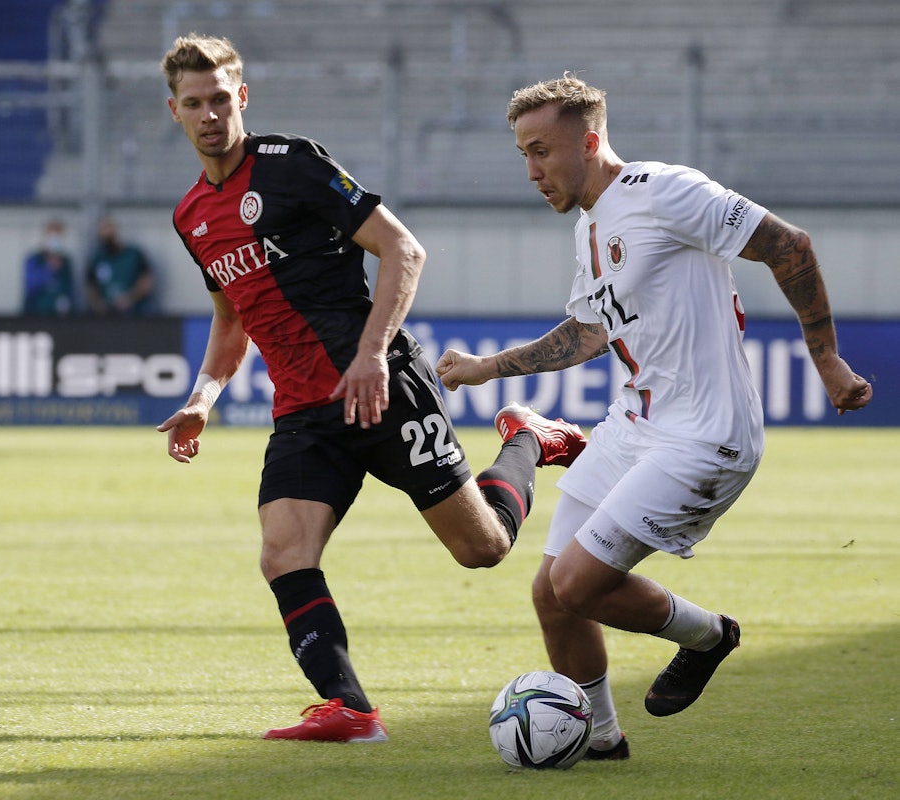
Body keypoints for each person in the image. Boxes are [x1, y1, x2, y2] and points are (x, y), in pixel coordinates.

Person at [155, 34, 587, 743]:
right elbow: (231, 317)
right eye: (194, 104)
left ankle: (527, 441)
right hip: (302, 411)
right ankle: (351, 710)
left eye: (220, 99)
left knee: (481, 550)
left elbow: (401, 249)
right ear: (174, 112)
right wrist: (203, 398)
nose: (210, 115)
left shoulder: (290, 165)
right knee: (282, 553)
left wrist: (369, 354)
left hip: (381, 388)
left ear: (243, 97)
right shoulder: (190, 217)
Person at [436, 73, 873, 760]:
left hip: (705, 435)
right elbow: (584, 334)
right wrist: (486, 368)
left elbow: (789, 245)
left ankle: (708, 637)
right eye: (522, 154)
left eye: (541, 151)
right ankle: (603, 740)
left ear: (588, 140)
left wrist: (825, 361)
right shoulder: (589, 229)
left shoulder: (662, 191)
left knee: (576, 585)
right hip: (636, 426)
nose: (531, 171)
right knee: (549, 594)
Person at [85, 216, 156, 315]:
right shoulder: (97, 259)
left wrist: (131, 298)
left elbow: (147, 280)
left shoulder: (133, 254)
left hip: (135, 314)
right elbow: (90, 286)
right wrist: (98, 304)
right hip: (106, 317)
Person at [22, 218, 75, 316]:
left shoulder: (66, 262)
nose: (54, 239)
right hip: (36, 316)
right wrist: (49, 269)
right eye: (51, 235)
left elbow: (71, 291)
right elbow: (30, 286)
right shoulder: (34, 259)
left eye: (58, 235)